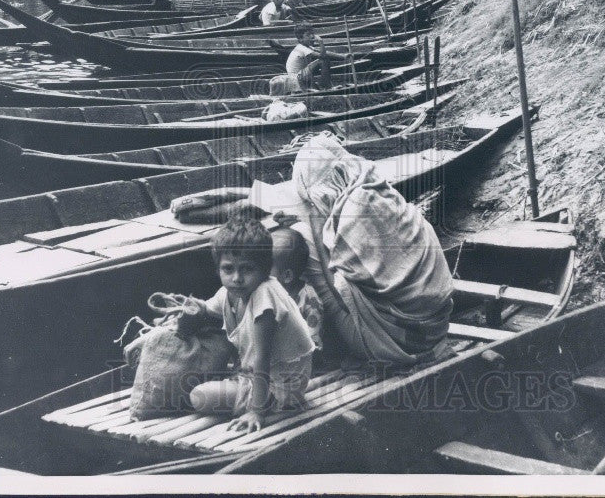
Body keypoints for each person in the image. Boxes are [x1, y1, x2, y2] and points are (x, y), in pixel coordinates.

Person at [288, 133, 454, 367]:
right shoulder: (378, 189)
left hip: (398, 343)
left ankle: (324, 347)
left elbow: (339, 294)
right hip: (435, 328)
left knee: (300, 238)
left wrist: (314, 219)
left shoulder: (352, 214)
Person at [187, 218, 315, 432]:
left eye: (247, 269)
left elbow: (262, 357)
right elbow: (206, 309)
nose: (237, 278)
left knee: (198, 396)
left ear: (265, 270)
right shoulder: (229, 293)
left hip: (282, 386)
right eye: (228, 269)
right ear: (218, 269)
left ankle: (256, 401)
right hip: (255, 374)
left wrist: (256, 411)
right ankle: (239, 388)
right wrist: (186, 310)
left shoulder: (265, 296)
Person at [271, 227, 323, 351]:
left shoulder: (310, 301)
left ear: (287, 276)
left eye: (264, 268)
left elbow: (311, 341)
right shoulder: (263, 292)